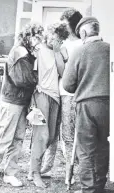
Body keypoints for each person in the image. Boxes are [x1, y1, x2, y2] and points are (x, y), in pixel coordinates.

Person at [0, 24, 43, 187]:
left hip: (21, 100)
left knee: (18, 138)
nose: (39, 41)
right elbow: (21, 79)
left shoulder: (28, 53)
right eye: (36, 37)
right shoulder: (20, 51)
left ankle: (10, 173)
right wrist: (37, 80)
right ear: (28, 36)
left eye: (40, 37)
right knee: (5, 137)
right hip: (12, 100)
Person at [63, 17, 110, 193]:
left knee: (86, 149)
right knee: (103, 146)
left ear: (83, 32)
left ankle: (89, 189)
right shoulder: (110, 49)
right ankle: (98, 186)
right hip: (109, 105)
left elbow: (67, 85)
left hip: (87, 105)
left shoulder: (79, 51)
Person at [40, 8, 83, 185]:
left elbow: (64, 72)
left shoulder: (80, 45)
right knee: (51, 131)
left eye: (65, 24)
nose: (62, 27)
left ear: (73, 24)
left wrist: (58, 52)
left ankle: (70, 172)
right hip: (55, 93)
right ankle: (46, 167)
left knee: (68, 134)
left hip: (70, 94)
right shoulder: (60, 43)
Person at [28, 24, 64, 188]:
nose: (54, 40)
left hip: (55, 97)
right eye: (52, 36)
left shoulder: (59, 51)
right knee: (41, 135)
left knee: (50, 137)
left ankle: (33, 168)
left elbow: (63, 73)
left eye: (58, 39)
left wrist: (57, 52)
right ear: (48, 34)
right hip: (41, 94)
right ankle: (35, 173)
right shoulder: (38, 49)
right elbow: (31, 71)